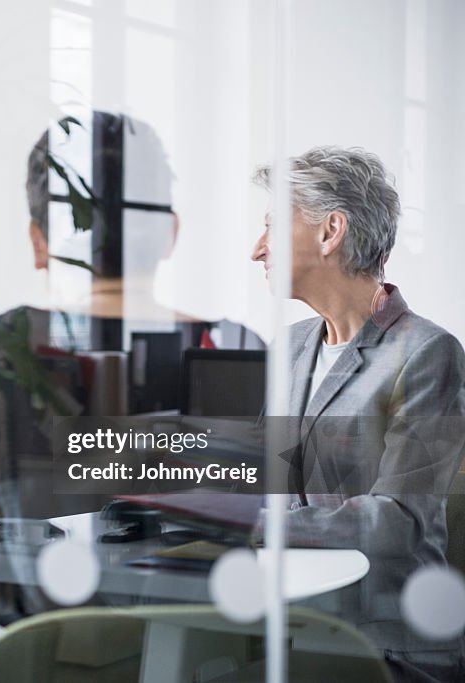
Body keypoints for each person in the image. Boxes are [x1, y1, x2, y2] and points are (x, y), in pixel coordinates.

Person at [0, 111, 262, 619]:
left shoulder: (5, 345)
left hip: (50, 659)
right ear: (168, 233)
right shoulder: (234, 347)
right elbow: (221, 556)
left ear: (39, 242)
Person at [250, 146, 465, 683]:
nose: (257, 249)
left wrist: (254, 522)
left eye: (274, 225)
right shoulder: (290, 347)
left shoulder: (427, 352)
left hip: (383, 642)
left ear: (331, 232)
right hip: (288, 622)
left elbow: (398, 522)